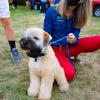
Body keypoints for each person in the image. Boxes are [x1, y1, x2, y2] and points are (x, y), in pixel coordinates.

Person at [44, 0, 100, 81]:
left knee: (98, 40)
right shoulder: (52, 11)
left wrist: (73, 40)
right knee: (69, 74)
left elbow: (76, 39)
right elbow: (46, 35)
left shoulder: (80, 14)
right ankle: (60, 62)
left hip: (70, 47)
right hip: (55, 50)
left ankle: (70, 58)